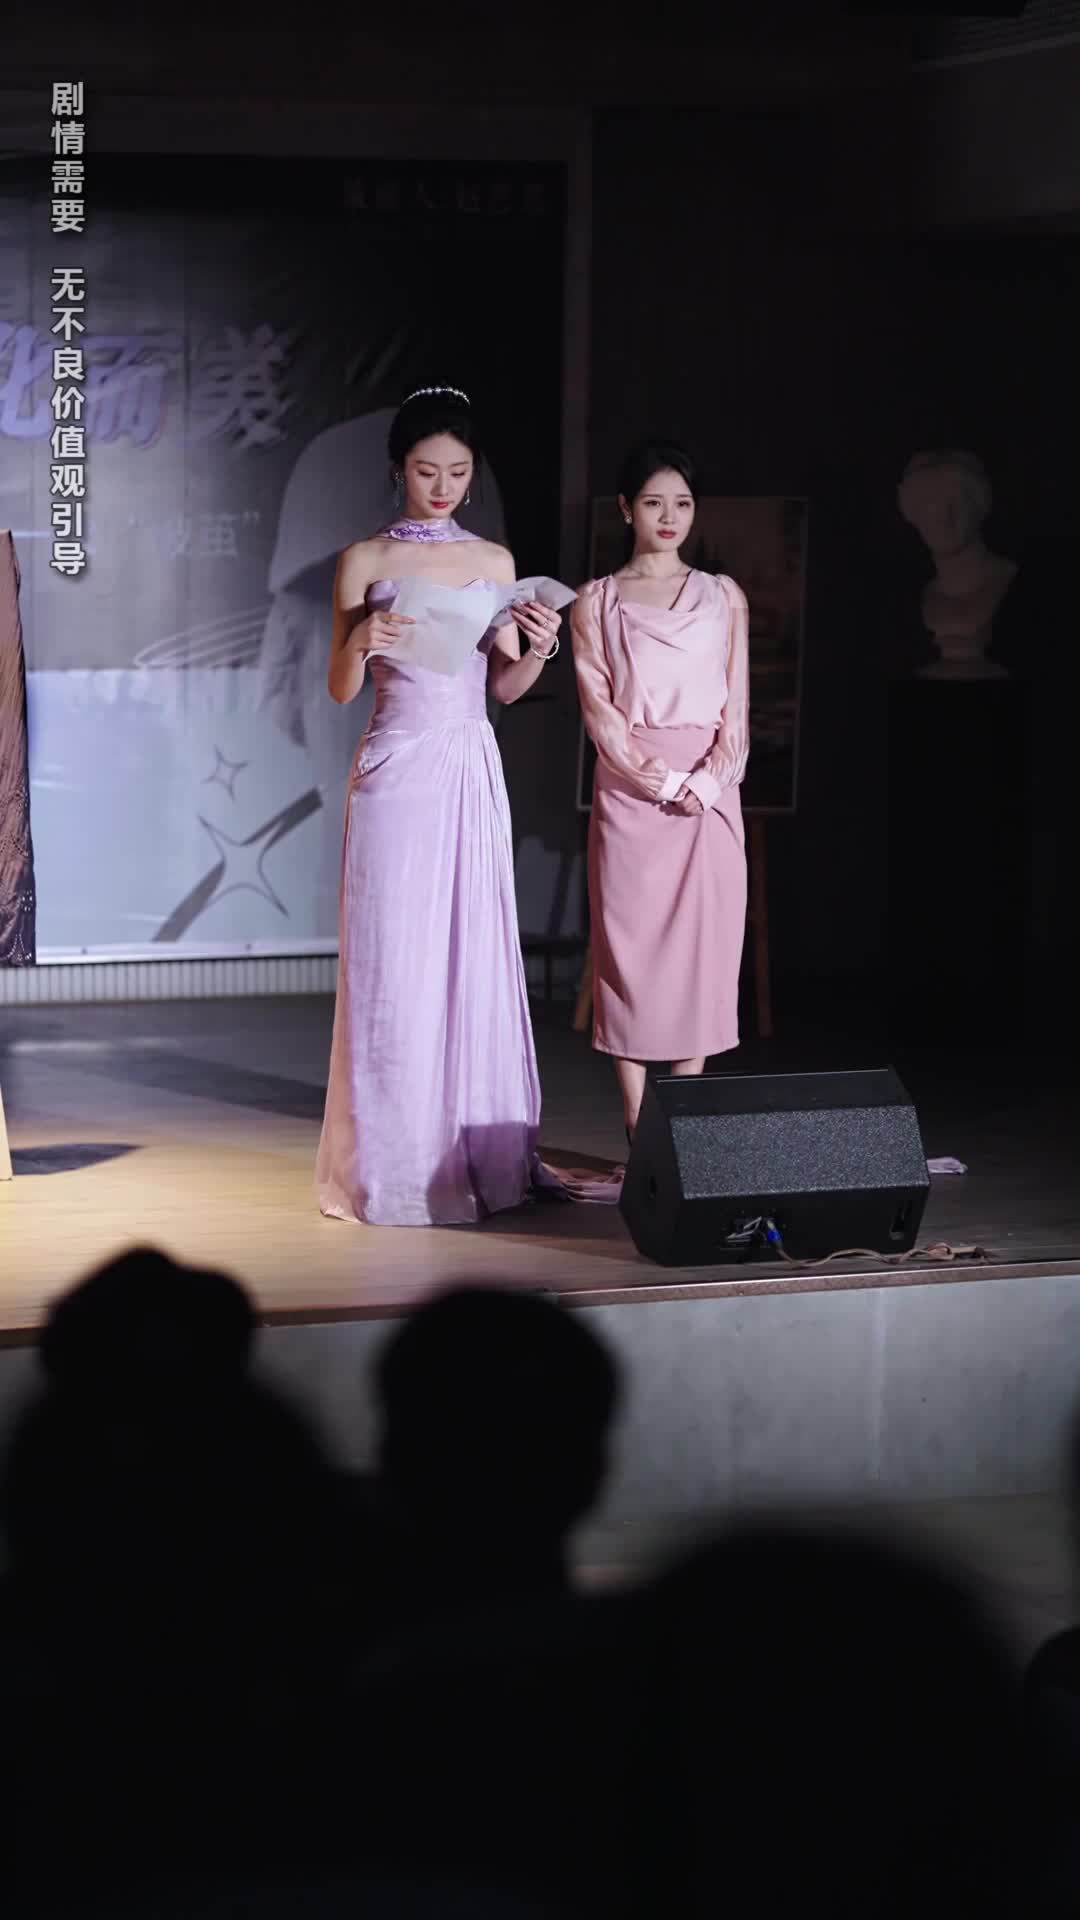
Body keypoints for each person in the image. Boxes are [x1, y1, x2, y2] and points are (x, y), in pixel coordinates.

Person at [315, 385, 562, 1226]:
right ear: (399, 469)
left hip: (466, 762)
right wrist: (359, 641)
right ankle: (394, 1167)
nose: (444, 486)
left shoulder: (493, 560)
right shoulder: (365, 560)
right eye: (427, 471)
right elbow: (340, 687)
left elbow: (505, 686)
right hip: (395, 766)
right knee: (393, 961)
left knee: (469, 955)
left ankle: (471, 1155)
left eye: (458, 472)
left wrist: (540, 648)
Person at [572, 441, 749, 1139]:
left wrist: (707, 781)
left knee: (704, 951)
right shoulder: (597, 601)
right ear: (626, 509)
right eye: (653, 503)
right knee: (630, 953)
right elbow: (601, 715)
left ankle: (684, 1116)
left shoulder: (723, 595)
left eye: (682, 503)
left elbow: (736, 710)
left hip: (709, 794)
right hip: (633, 792)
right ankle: (637, 1118)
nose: (669, 517)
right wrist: (662, 779)